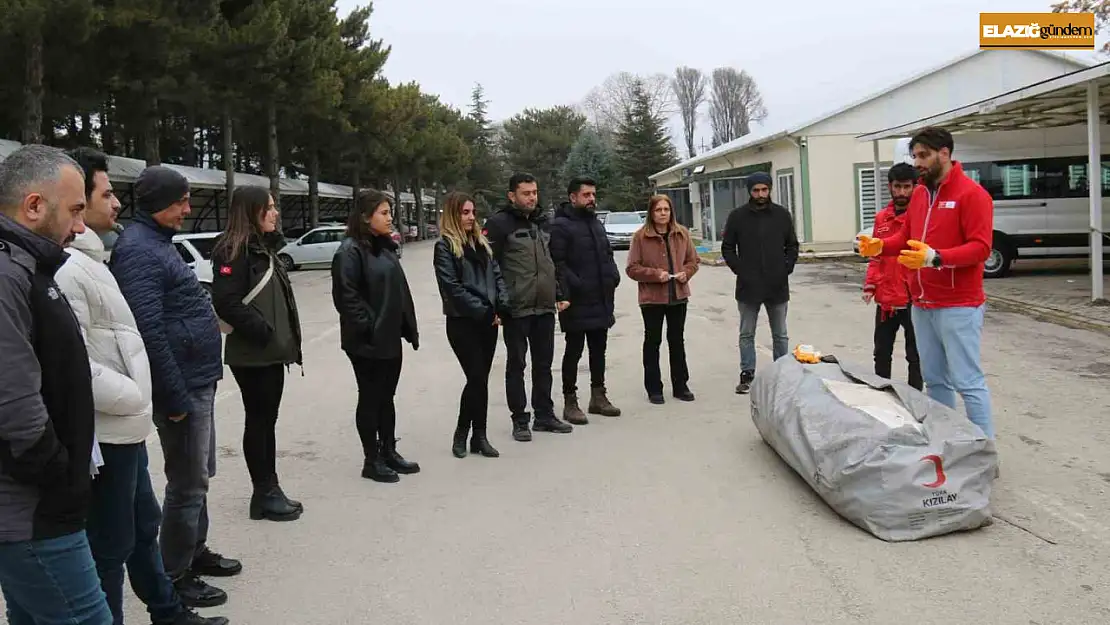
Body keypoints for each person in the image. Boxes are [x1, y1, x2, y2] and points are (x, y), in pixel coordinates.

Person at [54, 148, 228, 625]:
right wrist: (155, 395)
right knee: (118, 539)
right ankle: (175, 579)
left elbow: (124, 335)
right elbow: (134, 338)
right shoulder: (97, 261)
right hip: (113, 423)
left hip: (130, 419)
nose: (116, 204)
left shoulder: (107, 253)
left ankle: (170, 601)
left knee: (144, 520)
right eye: (106, 194)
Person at [110, 166, 241, 608]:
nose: (189, 208)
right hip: (181, 387)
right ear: (159, 201)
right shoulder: (139, 251)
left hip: (197, 380)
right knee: (186, 484)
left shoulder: (157, 244)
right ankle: (176, 574)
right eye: (182, 200)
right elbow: (148, 329)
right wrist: (173, 397)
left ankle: (194, 551)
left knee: (200, 476)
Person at [0, 144, 113, 625]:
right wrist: (63, 478)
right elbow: (14, 401)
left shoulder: (28, 268)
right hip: (35, 514)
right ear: (33, 206)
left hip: (38, 510)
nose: (80, 226)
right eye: (74, 211)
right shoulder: (7, 274)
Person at [857, 126, 995, 439]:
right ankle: (945, 442)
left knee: (967, 381)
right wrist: (882, 246)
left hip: (958, 304)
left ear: (944, 154)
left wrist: (936, 257)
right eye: (915, 155)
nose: (917, 162)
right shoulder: (921, 194)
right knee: (935, 380)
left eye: (923, 155)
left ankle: (984, 450)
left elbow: (981, 248)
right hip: (921, 302)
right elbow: (907, 237)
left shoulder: (972, 195)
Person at [211, 186, 303, 521]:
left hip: (267, 352)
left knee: (266, 421)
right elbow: (225, 301)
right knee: (260, 420)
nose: (276, 213)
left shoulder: (260, 246)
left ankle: (269, 489)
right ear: (252, 211)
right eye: (270, 208)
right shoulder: (234, 249)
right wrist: (264, 332)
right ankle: (264, 492)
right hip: (254, 353)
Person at [332, 189, 420, 483]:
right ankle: (372, 460)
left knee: (387, 397)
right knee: (371, 398)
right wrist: (369, 327)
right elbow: (347, 298)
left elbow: (398, 290)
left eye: (389, 212)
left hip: (389, 337)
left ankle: (389, 451)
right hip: (367, 341)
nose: (390, 218)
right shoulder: (349, 251)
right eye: (384, 213)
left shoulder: (384, 247)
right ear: (365, 217)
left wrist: (405, 326)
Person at [483, 173, 574, 441]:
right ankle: (520, 419)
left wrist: (559, 292)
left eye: (534, 192)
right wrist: (498, 305)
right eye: (526, 193)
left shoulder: (544, 223)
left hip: (544, 307)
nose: (532, 197)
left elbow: (552, 261)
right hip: (516, 308)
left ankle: (544, 415)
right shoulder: (499, 224)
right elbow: (490, 266)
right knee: (517, 365)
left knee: (544, 365)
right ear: (512, 195)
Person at [433, 191, 511, 459]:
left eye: (472, 212)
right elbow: (452, 288)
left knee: (481, 381)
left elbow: (497, 276)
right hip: (463, 323)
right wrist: (484, 311)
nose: (470, 217)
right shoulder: (444, 247)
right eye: (465, 212)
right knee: (476, 377)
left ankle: (480, 436)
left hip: (488, 322)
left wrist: (501, 305)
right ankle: (461, 433)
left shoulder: (481, 243)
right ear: (454, 215)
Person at [548, 176, 622, 423]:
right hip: (577, 301)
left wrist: (613, 275)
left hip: (601, 297)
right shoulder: (561, 225)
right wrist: (574, 286)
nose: (592, 199)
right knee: (574, 350)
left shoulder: (596, 223)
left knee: (598, 349)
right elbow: (557, 263)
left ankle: (598, 396)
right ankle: (570, 401)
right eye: (586, 195)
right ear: (573, 197)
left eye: (593, 194)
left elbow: (607, 254)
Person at [721, 171, 800, 395]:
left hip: (777, 285)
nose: (760, 194)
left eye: (764, 189)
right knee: (747, 333)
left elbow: (792, 245)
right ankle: (747, 374)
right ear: (749, 192)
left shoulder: (782, 215)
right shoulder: (737, 217)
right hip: (748, 286)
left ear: (770, 189)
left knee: (780, 334)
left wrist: (786, 268)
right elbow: (727, 248)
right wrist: (741, 270)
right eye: (756, 190)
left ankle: (782, 374)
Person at [626, 194, 700, 404]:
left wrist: (687, 272)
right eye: (658, 210)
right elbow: (632, 268)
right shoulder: (641, 237)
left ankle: (680, 385)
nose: (662, 214)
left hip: (678, 295)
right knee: (653, 341)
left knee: (677, 341)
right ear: (651, 212)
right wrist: (655, 274)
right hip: (652, 299)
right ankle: (654, 388)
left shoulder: (681, 233)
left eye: (666, 210)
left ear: (671, 212)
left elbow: (693, 260)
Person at [862, 163, 923, 391]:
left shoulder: (920, 218)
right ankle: (882, 396)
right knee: (881, 352)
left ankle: (915, 398)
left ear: (915, 187)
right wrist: (870, 285)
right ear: (890, 186)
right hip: (887, 298)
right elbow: (876, 256)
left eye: (907, 187)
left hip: (912, 297)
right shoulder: (881, 219)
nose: (902, 193)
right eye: (897, 187)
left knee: (915, 355)